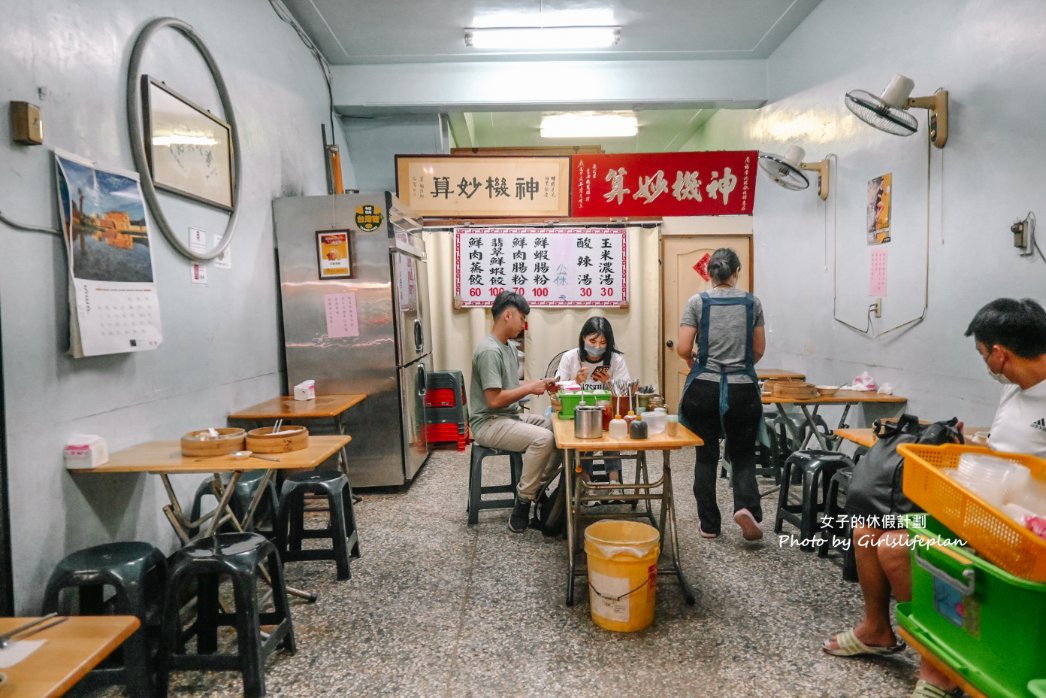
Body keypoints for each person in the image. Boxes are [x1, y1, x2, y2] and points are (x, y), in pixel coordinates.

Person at [823, 297, 1046, 698]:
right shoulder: (1016, 388)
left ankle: (938, 663)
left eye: (982, 355)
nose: (984, 364)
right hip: (981, 512)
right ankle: (876, 628)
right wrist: (966, 443)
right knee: (867, 529)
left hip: (1021, 532)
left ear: (1000, 354)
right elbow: (1006, 450)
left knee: (894, 546)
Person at [675, 248, 766, 541]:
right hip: (742, 391)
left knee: (705, 456)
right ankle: (746, 508)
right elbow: (758, 350)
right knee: (742, 454)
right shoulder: (753, 303)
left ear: (709, 274)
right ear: (736, 272)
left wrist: (694, 362)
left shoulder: (697, 303)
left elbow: (683, 348)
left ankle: (709, 524)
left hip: (704, 388)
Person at [469, 291, 562, 533]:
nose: (524, 324)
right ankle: (523, 504)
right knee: (544, 439)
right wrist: (531, 387)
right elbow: (494, 399)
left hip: (508, 417)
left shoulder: (508, 347)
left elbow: (510, 387)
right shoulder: (489, 350)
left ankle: (537, 489)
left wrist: (540, 383)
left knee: (558, 429)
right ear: (507, 315)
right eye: (522, 319)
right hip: (488, 422)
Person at [556, 316, 631, 502]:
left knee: (612, 433)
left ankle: (614, 483)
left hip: (607, 414)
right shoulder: (570, 357)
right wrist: (575, 381)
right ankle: (586, 483)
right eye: (592, 341)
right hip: (577, 415)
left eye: (603, 342)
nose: (597, 346)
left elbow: (626, 391)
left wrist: (610, 382)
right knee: (586, 434)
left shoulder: (615, 359)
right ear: (583, 338)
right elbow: (556, 391)